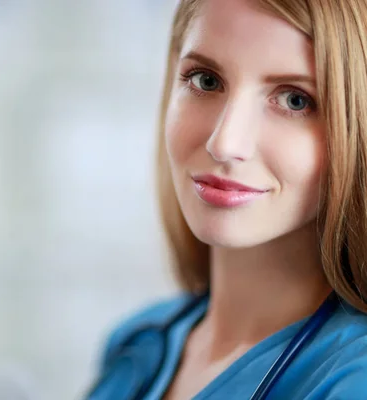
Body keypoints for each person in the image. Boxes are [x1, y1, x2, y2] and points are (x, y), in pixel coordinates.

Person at [84, 0, 367, 399]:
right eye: (205, 80)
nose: (224, 143)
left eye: (294, 100)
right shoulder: (137, 345)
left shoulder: (352, 379)